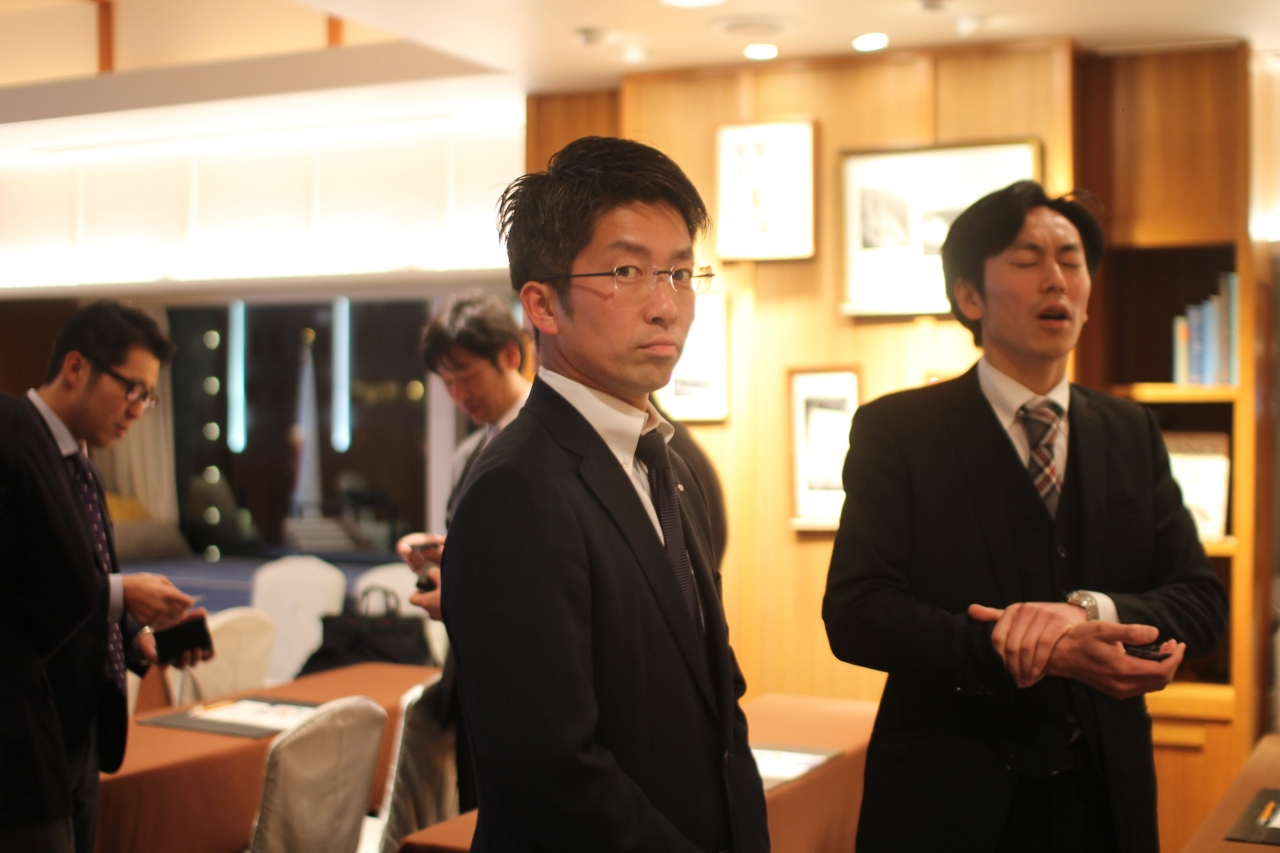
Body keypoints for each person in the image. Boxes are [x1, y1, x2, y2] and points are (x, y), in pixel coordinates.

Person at [822, 180, 1228, 853]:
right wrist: (1019, 646)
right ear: (969, 296)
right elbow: (857, 612)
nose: (1057, 279)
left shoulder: (1131, 431)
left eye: (1071, 260)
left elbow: (1202, 601)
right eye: (1026, 259)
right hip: (946, 805)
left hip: (1104, 803)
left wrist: (1088, 613)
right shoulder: (900, 431)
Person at [439, 136, 769, 852]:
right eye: (627, 271)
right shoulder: (516, 490)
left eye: (680, 272)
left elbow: (719, 702)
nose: (667, 305)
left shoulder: (670, 463)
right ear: (543, 305)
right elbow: (551, 774)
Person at [0, 301, 212, 853]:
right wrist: (122, 594)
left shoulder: (85, 470)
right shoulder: (12, 436)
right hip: (21, 740)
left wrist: (137, 640)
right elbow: (27, 590)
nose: (138, 411)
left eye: (149, 397)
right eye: (132, 390)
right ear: (76, 367)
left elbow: (78, 595)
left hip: (81, 734)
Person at [395, 292, 531, 813]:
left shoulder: (547, 442)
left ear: (511, 354)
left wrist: (467, 591)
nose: (459, 395)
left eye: (467, 376)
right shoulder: (468, 454)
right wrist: (440, 562)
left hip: (529, 676)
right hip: (474, 669)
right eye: (447, 383)